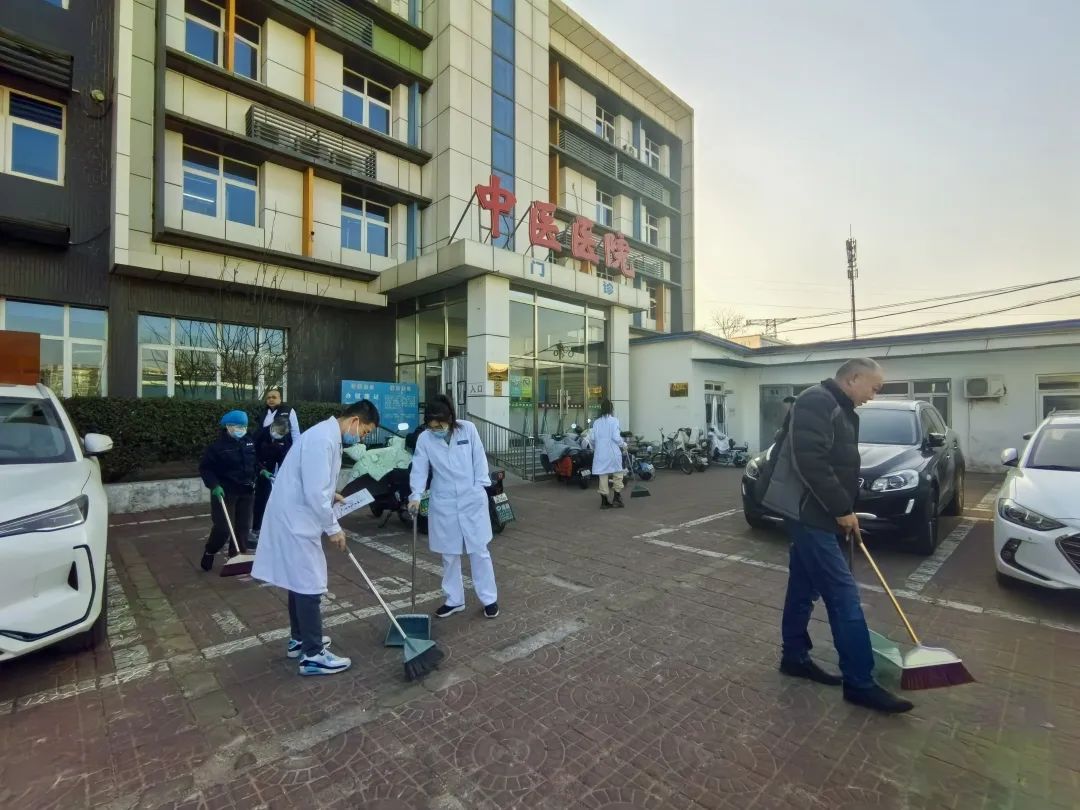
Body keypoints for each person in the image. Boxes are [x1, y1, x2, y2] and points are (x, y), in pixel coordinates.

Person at [760, 358, 914, 714]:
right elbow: (811, 461)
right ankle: (860, 682)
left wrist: (843, 509)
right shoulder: (817, 401)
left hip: (818, 512)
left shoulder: (838, 406)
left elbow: (833, 462)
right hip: (809, 513)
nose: (873, 396)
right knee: (843, 595)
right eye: (873, 388)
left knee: (803, 587)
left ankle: (794, 657)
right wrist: (842, 509)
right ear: (853, 378)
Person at [251, 400, 380, 676]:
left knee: (298, 580)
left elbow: (312, 482)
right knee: (309, 582)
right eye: (365, 431)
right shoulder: (323, 439)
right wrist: (334, 528)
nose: (362, 438)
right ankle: (312, 656)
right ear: (355, 421)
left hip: (294, 514)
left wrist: (331, 494)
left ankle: (299, 639)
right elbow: (314, 492)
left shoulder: (325, 435)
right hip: (295, 520)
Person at [408, 395, 499, 620]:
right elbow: (419, 467)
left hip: (471, 498)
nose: (435, 430)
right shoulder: (425, 439)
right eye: (431, 426)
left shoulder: (467, 429)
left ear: (450, 419)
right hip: (444, 501)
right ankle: (454, 600)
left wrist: (479, 487)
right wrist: (416, 495)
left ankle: (489, 599)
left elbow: (479, 459)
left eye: (439, 426)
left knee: (479, 551)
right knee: (449, 554)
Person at [199, 410, 257, 572]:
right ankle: (210, 551)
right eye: (237, 426)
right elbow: (206, 469)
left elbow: (255, 463)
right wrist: (214, 485)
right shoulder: (217, 448)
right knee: (223, 528)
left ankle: (237, 556)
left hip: (246, 491)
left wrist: (262, 471)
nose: (241, 429)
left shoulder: (249, 443)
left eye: (244, 426)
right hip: (225, 492)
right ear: (228, 426)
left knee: (243, 527)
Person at [250, 414, 292, 546]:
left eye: (282, 434)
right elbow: (251, 454)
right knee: (247, 501)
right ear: (273, 426)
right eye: (278, 432)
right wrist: (260, 469)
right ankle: (247, 529)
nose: (279, 435)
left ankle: (258, 528)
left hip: (268, 472)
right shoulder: (260, 434)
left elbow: (284, 457)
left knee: (263, 499)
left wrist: (283, 474)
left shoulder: (285, 439)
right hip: (253, 469)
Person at [591, 399, 627, 509]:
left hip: (600, 454)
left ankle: (604, 502)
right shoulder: (614, 421)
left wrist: (597, 448)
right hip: (612, 453)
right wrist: (623, 444)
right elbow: (616, 437)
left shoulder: (596, 422)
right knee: (618, 474)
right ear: (611, 409)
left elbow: (592, 438)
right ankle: (617, 499)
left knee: (603, 476)